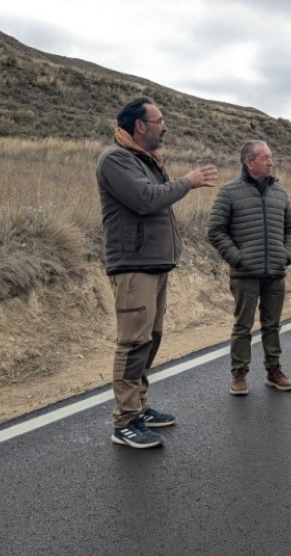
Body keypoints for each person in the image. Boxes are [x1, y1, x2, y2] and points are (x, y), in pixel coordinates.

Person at [97, 97, 218, 449]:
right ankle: (124, 422)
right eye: (159, 120)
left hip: (154, 264)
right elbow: (147, 199)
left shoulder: (144, 160)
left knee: (151, 338)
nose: (164, 126)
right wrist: (188, 181)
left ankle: (139, 407)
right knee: (133, 342)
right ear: (140, 126)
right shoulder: (115, 159)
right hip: (133, 266)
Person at [207, 140, 291, 396]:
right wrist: (237, 258)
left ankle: (274, 371)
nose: (271, 162)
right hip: (245, 274)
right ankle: (239, 374)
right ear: (250, 162)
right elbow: (215, 231)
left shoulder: (279, 192)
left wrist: (287, 254)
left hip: (275, 272)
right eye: (265, 158)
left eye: (271, 157)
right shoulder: (229, 192)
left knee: (272, 325)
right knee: (243, 326)